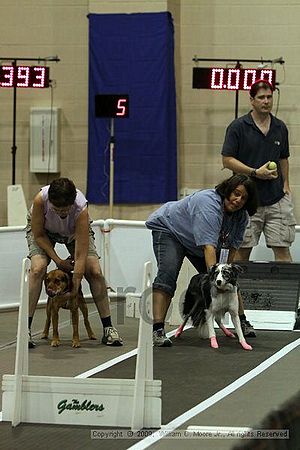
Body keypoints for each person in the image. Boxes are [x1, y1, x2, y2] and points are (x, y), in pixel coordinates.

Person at [145, 174, 258, 347]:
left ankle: (242, 320)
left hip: (194, 239)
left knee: (227, 277)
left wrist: (224, 276)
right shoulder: (208, 204)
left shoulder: (242, 217)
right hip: (170, 229)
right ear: (228, 189)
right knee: (167, 276)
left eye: (243, 198)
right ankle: (158, 330)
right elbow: (208, 248)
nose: (238, 200)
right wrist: (214, 282)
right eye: (236, 193)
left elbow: (231, 252)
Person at [25, 177, 123, 348]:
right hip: (44, 232)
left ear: (72, 203)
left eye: (66, 209)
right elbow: (39, 236)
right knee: (37, 268)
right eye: (57, 209)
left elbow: (81, 253)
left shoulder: (81, 207)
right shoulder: (41, 200)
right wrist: (58, 261)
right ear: (51, 203)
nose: (62, 213)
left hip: (73, 233)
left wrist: (75, 288)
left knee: (94, 271)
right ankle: (25, 329)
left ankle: (109, 328)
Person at [222, 79, 296, 263]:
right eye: (261, 97)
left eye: (269, 97)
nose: (266, 101)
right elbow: (227, 160)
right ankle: (238, 292)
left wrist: (286, 184)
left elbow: (283, 158)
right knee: (241, 252)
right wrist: (254, 172)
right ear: (252, 100)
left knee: (283, 251)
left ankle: (284, 291)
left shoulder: (280, 127)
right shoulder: (238, 127)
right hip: (246, 201)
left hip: (276, 199)